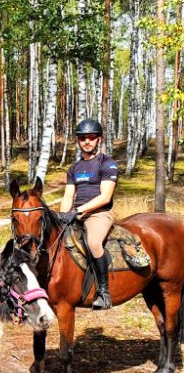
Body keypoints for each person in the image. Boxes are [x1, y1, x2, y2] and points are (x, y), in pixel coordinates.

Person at [58, 117, 119, 310]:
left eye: (91, 137)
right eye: (82, 137)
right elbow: (68, 196)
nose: (87, 141)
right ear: (78, 140)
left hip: (99, 214)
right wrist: (61, 216)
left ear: (99, 139)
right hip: (77, 214)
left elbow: (105, 197)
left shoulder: (107, 164)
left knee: (93, 242)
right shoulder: (74, 168)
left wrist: (78, 210)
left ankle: (103, 292)